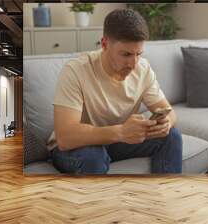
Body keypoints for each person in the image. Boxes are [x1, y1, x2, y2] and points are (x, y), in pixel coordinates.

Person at [48, 9, 182, 174]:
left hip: (116, 141)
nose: (133, 64)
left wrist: (166, 122)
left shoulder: (143, 69)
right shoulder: (76, 71)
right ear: (104, 44)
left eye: (138, 54)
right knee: (93, 156)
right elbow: (65, 137)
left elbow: (169, 112)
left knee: (172, 136)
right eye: (126, 54)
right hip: (77, 146)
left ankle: (164, 196)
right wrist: (120, 132)